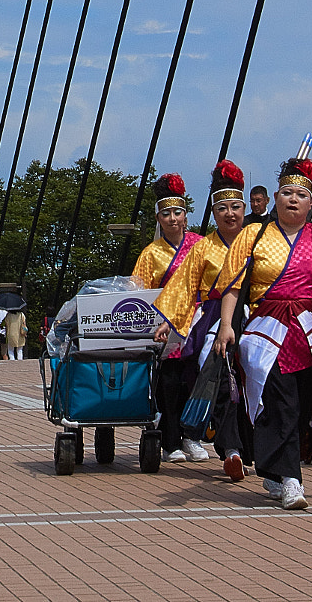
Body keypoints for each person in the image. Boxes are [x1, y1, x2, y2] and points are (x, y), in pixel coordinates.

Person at [213, 158, 312, 511]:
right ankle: (292, 479)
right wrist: (226, 325)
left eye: (301, 194)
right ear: (275, 197)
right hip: (268, 329)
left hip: (310, 331)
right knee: (280, 400)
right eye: (287, 193)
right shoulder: (254, 233)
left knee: (304, 402)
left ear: (311, 202)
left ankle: (275, 471)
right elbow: (232, 285)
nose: (293, 199)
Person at [153, 160, 251, 476]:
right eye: (222, 208)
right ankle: (231, 449)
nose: (230, 213)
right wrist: (167, 320)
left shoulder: (260, 240)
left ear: (245, 207)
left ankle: (257, 447)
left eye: (236, 206)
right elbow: (184, 288)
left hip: (257, 315)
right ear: (214, 211)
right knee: (220, 378)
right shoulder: (203, 247)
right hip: (211, 317)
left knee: (256, 381)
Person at [130, 174, 205, 463]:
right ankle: (170, 440)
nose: (173, 219)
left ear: (186, 215)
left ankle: (193, 436)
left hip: (197, 321)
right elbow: (140, 291)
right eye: (166, 214)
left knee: (196, 382)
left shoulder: (200, 245)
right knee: (169, 385)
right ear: (159, 218)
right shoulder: (151, 253)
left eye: (177, 212)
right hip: (166, 325)